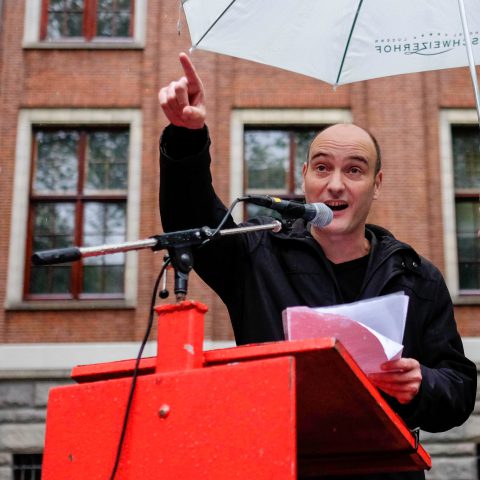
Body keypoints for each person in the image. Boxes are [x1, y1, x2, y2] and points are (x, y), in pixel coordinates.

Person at [158, 53, 477, 479]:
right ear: (305, 176)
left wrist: (424, 384)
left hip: (385, 468)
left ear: (376, 185)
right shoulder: (257, 252)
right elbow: (193, 223)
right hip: (282, 464)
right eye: (323, 168)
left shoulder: (417, 276)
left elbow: (458, 386)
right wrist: (186, 138)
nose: (336, 184)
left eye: (355, 170)